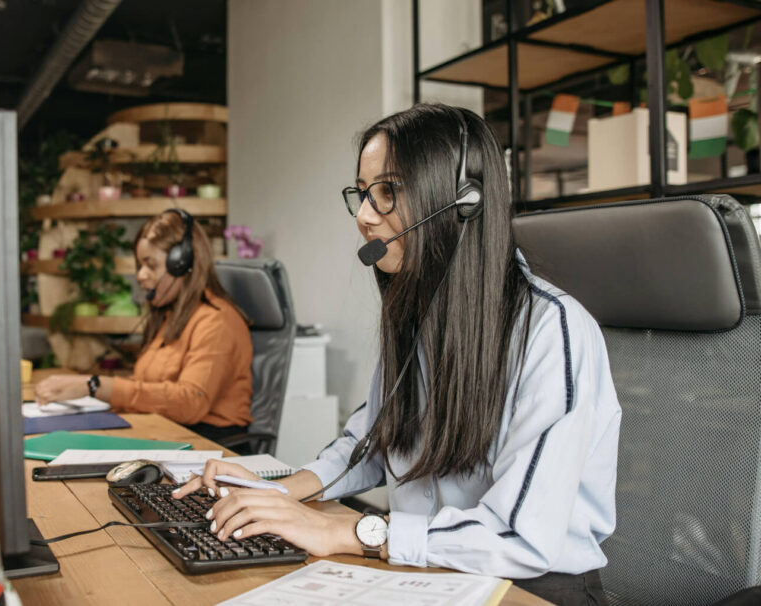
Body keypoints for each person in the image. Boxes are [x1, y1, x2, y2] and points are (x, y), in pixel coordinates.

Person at [174, 104, 621, 606]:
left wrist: (350, 534)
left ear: (463, 202)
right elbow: (373, 438)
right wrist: (277, 490)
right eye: (362, 194)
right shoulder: (415, 314)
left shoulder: (551, 331)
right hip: (429, 571)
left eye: (387, 192)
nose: (364, 216)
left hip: (530, 589)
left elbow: (523, 537)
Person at [34, 209, 254, 442]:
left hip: (207, 444)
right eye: (139, 265)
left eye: (150, 265)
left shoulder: (217, 321)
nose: (140, 275)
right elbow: (148, 387)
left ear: (182, 264)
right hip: (165, 432)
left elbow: (190, 403)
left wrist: (95, 385)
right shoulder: (170, 317)